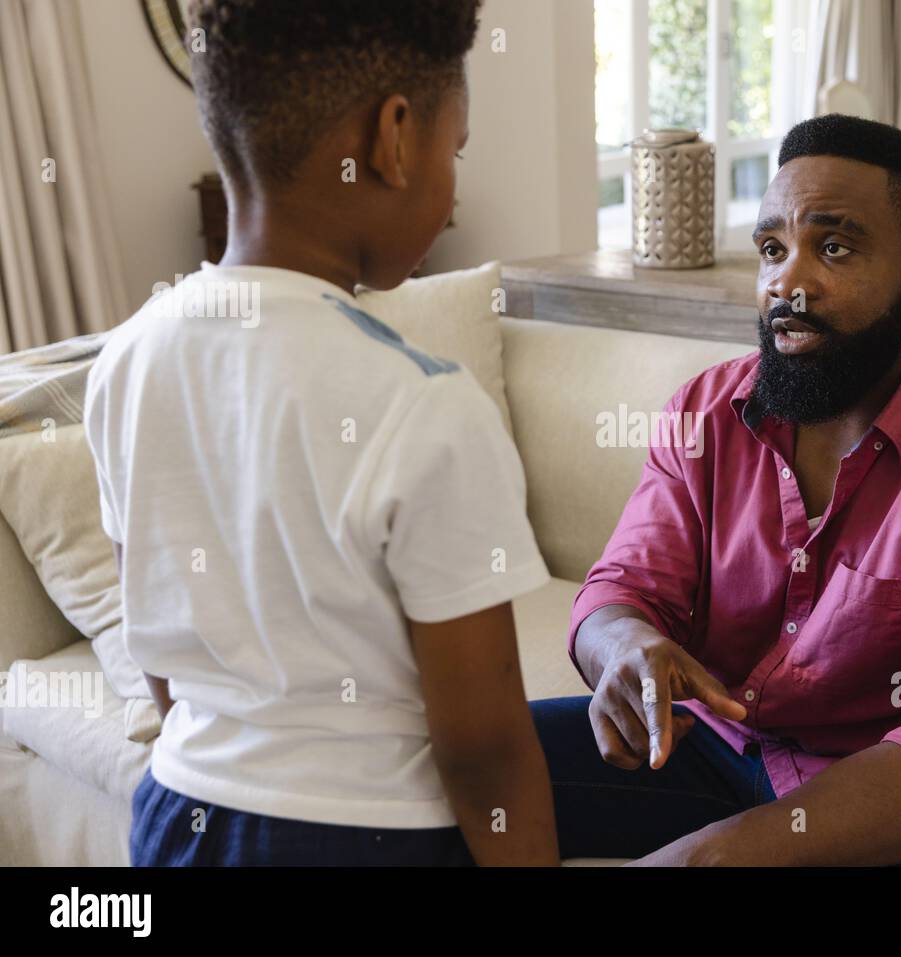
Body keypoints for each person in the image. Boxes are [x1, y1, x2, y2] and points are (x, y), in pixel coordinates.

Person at [530, 113, 901, 866]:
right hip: (713, 749)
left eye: (833, 247)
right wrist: (625, 645)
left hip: (884, 804)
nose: (786, 283)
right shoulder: (704, 411)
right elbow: (622, 585)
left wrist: (710, 858)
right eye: (773, 248)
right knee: (471, 761)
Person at [84, 0, 559, 866]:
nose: (452, 180)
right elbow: (484, 749)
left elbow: (157, 646)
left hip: (178, 813)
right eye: (455, 151)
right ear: (394, 138)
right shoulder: (429, 405)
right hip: (370, 841)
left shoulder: (126, 360)